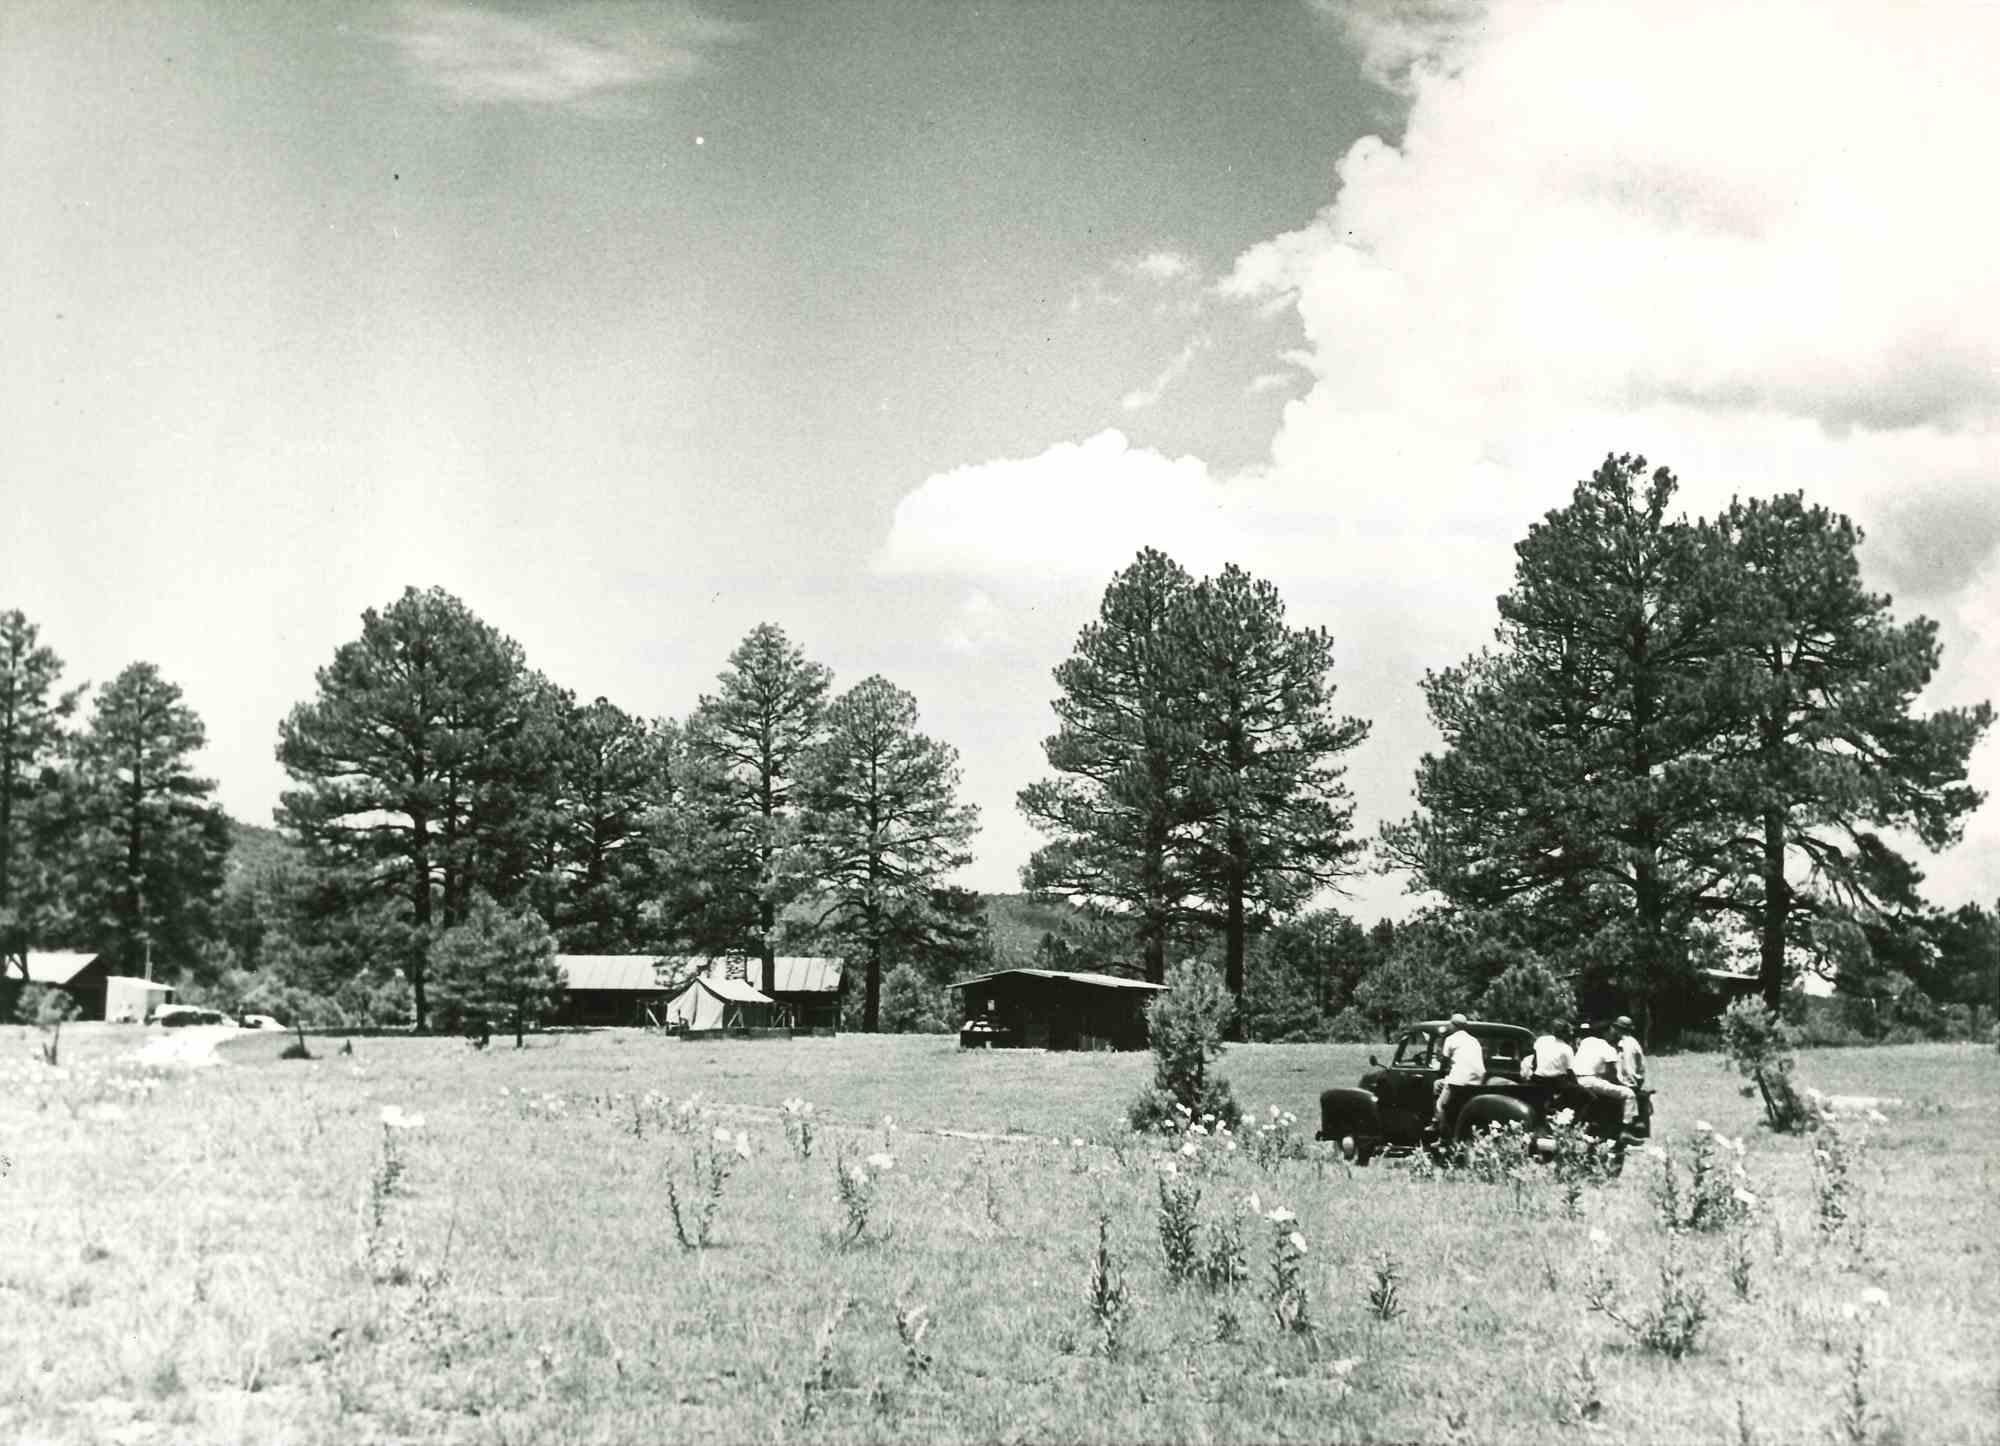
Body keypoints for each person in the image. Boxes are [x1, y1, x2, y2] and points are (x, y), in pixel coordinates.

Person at [1572, 1020, 1637, 1130]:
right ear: (1605, 1033)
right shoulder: (1607, 1047)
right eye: (1612, 1031)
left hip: (1575, 1080)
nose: (1615, 1034)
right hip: (1591, 1080)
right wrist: (1625, 1084)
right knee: (1629, 1094)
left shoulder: (1585, 1042)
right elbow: (1613, 1074)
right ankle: (1627, 1130)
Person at [1431, 1012, 1485, 1135]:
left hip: (1459, 1079)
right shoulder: (1474, 1040)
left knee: (1440, 1101)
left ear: (1453, 1025)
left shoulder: (1451, 1039)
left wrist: (1440, 1073)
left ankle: (1438, 1127)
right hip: (1477, 1080)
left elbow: (1444, 1062)